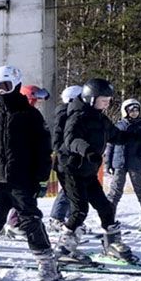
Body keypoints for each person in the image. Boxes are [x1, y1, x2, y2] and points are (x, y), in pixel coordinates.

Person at [0, 66, 58, 281]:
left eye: (5, 86)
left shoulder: (31, 115)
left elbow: (43, 150)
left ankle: (47, 266)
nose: (1, 92)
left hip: (23, 182)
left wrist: (42, 178)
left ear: (17, 85)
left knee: (31, 222)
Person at [54, 78, 136, 263]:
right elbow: (71, 139)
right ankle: (64, 248)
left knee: (105, 207)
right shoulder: (77, 115)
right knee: (80, 209)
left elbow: (116, 135)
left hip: (87, 171)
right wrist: (88, 151)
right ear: (91, 99)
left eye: (108, 100)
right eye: (104, 100)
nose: (107, 103)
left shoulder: (100, 117)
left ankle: (112, 245)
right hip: (70, 169)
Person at [2, 84, 52, 240]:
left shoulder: (33, 115)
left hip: (29, 166)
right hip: (17, 168)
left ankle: (14, 223)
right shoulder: (19, 116)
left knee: (24, 198)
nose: (37, 103)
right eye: (35, 100)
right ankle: (12, 224)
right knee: (20, 199)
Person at [104, 98, 141, 228]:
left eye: (136, 110)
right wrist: (108, 163)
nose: (134, 113)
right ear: (125, 112)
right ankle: (108, 214)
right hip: (119, 163)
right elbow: (110, 145)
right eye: (131, 110)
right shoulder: (118, 126)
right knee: (115, 190)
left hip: (136, 164)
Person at [46, 85, 81, 234]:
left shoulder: (75, 112)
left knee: (75, 190)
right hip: (66, 158)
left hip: (75, 157)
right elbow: (58, 137)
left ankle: (71, 219)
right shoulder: (65, 113)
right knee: (68, 189)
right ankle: (56, 218)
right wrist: (64, 152)